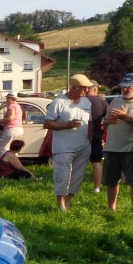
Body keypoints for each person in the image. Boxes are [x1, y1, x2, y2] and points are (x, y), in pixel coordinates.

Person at [43, 74, 93, 211]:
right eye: (84, 88)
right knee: (63, 176)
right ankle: (60, 204)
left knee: (78, 177)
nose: (87, 91)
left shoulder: (86, 102)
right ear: (74, 88)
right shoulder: (58, 102)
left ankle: (67, 202)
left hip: (83, 146)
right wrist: (67, 125)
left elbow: (90, 123)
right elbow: (47, 124)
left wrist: (89, 141)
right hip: (63, 147)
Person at [101, 72, 133, 214]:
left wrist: (126, 117)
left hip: (132, 147)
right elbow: (105, 122)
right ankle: (111, 208)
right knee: (111, 181)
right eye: (123, 86)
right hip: (112, 146)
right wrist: (108, 121)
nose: (125, 89)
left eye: (129, 87)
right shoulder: (116, 100)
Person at [85, 81, 108, 192]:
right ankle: (97, 187)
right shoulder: (102, 102)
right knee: (96, 161)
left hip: (81, 133)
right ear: (95, 89)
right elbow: (107, 119)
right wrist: (103, 131)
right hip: (96, 133)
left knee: (76, 162)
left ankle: (71, 186)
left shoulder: (80, 101)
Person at [0, 93, 25, 159]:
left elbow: (10, 118)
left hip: (11, 129)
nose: (6, 100)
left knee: (4, 148)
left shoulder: (12, 106)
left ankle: (3, 162)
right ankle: (14, 162)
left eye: (7, 98)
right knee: (14, 149)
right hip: (19, 128)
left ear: (11, 99)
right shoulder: (18, 106)